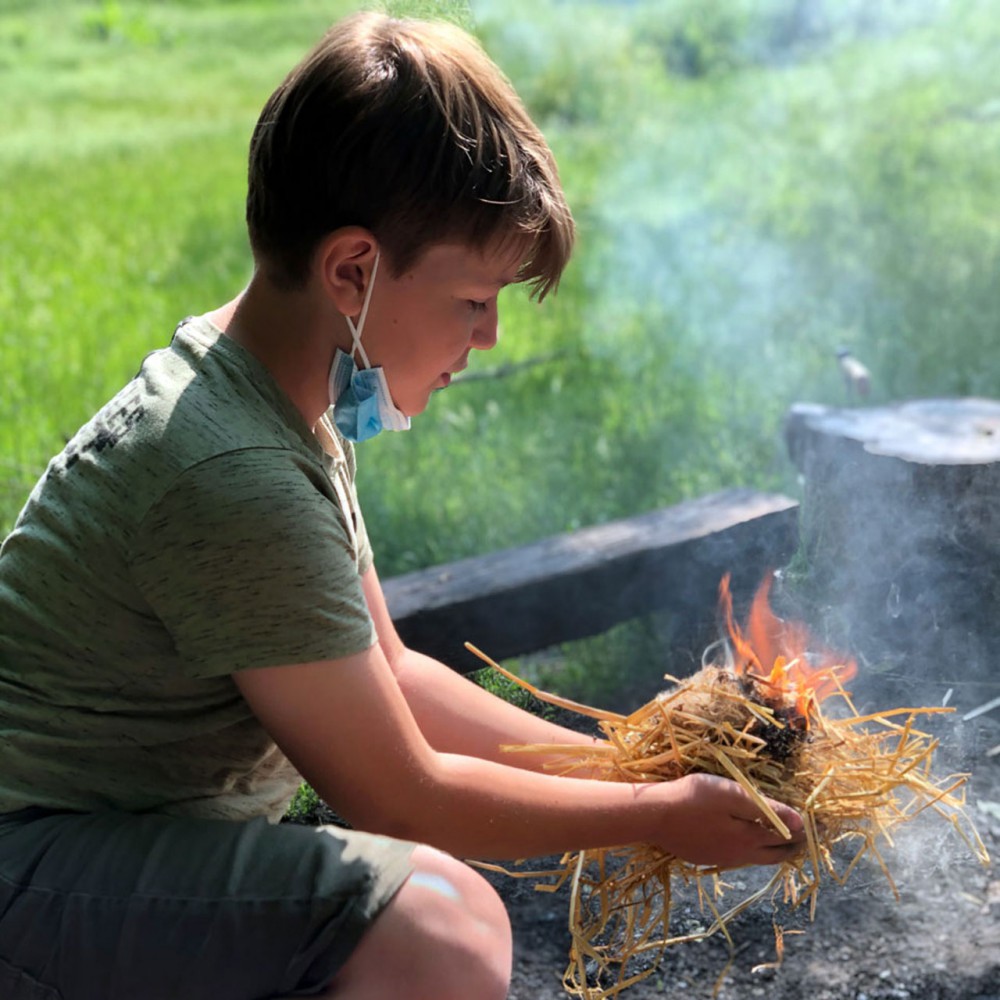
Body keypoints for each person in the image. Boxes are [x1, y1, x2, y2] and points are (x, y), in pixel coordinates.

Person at [0, 12, 805, 1000]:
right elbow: (396, 792)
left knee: (449, 912)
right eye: (473, 301)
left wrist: (631, 765)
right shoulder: (230, 470)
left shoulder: (281, 399)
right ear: (351, 272)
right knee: (435, 936)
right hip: (33, 869)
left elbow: (395, 675)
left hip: (88, 853)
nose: (492, 337)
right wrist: (653, 813)